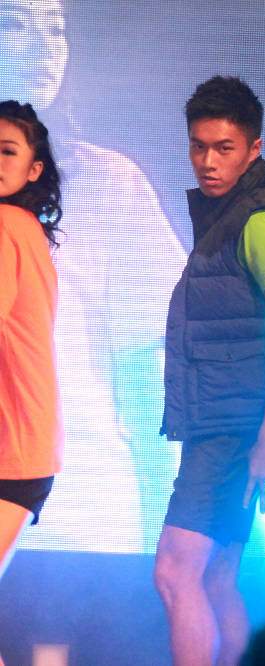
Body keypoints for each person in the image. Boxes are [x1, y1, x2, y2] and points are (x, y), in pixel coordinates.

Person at [153, 76, 265, 666]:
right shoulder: (230, 216)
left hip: (233, 431)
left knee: (176, 573)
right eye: (198, 146)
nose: (208, 161)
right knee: (213, 577)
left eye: (223, 148)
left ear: (254, 149)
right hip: (227, 423)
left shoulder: (260, 221)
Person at [2, 0, 187, 552]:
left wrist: (168, 505)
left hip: (82, 496)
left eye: (53, 28)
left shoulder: (107, 181)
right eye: (17, 23)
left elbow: (149, 362)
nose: (42, 45)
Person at [0, 101, 62, 577]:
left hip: (12, 449)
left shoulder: (6, 225)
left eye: (7, 151)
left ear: (34, 168)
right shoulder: (28, 229)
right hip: (27, 446)